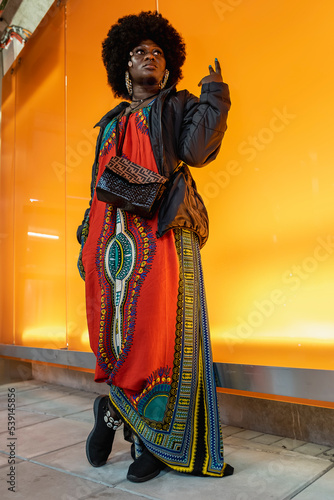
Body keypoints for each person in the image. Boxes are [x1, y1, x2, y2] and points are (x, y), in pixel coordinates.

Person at [77, 10, 233, 483]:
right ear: (125, 69)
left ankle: (156, 442)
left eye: (158, 54)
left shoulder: (179, 104)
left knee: (166, 339)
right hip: (114, 247)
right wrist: (86, 237)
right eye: (139, 52)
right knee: (121, 336)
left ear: (168, 70)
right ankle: (116, 411)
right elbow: (95, 188)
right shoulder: (109, 123)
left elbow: (196, 152)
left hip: (164, 233)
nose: (149, 57)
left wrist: (215, 98)